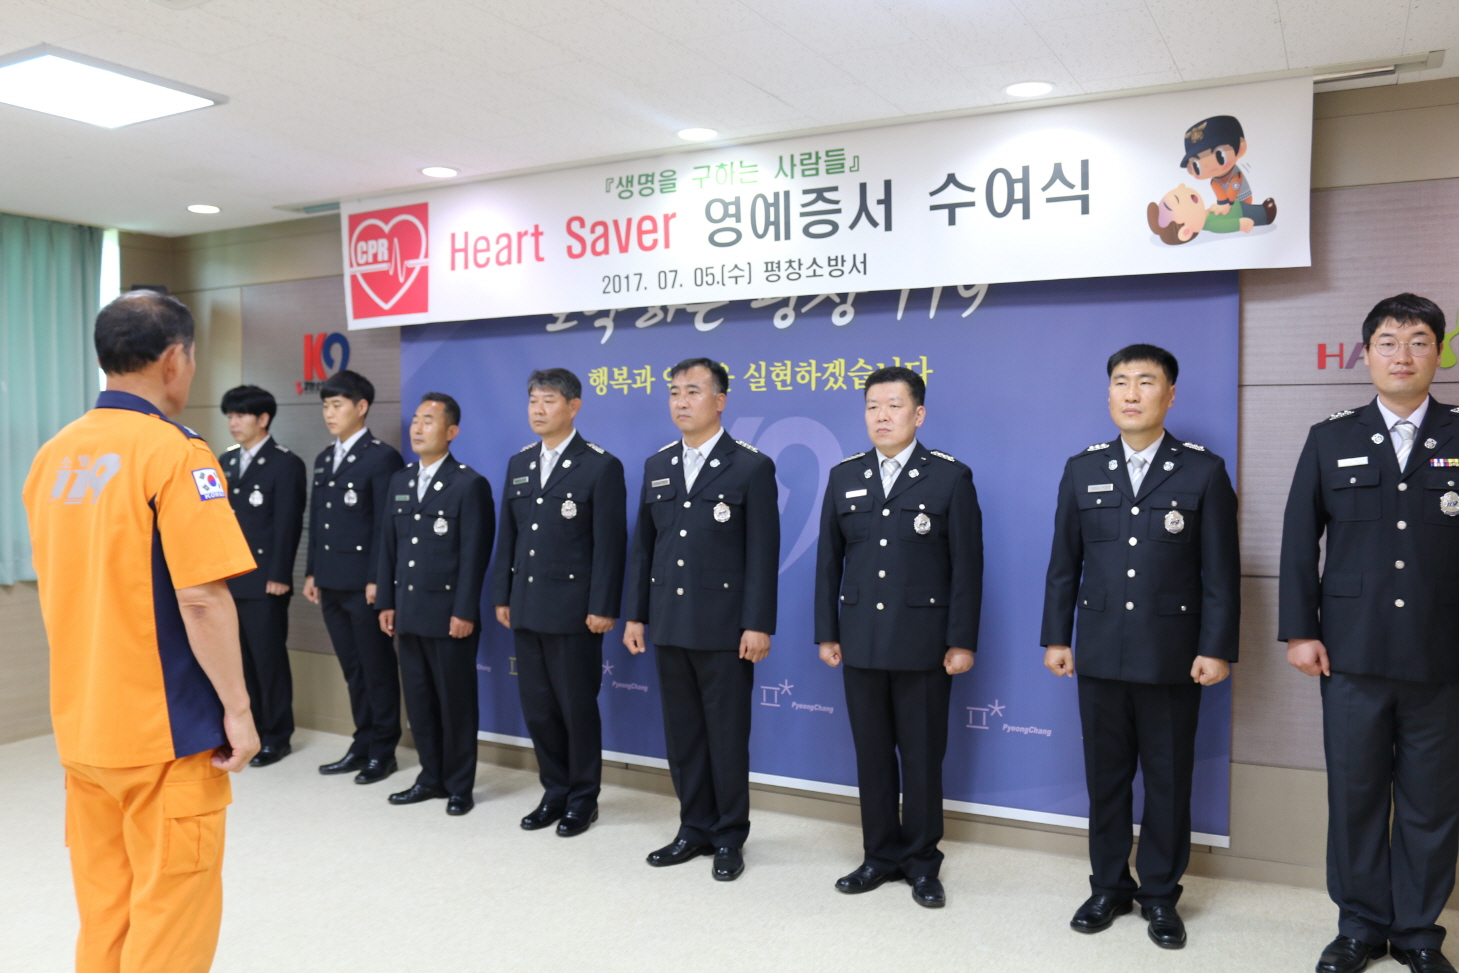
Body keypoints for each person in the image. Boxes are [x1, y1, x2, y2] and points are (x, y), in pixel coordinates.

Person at [23, 291, 260, 973]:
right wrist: (240, 711)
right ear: (175, 359)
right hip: (165, 732)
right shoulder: (176, 453)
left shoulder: (54, 455)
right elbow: (202, 599)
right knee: (171, 919)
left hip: (85, 727)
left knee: (108, 912)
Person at [1279, 294, 1459, 973]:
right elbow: (1299, 540)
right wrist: (1299, 631)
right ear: (1367, 354)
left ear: (1438, 352)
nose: (1401, 355)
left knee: (1431, 801)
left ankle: (1417, 933)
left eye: (1417, 341)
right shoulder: (1331, 437)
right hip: (1350, 653)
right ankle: (1357, 926)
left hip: (1442, 653)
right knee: (1355, 795)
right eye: (1387, 341)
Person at [1041, 343, 1239, 950]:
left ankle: (1159, 894)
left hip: (1173, 657)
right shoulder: (1083, 468)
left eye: (1145, 382)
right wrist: (1057, 637)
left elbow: (1220, 574)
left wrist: (1216, 647)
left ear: (1169, 395)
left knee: (1168, 781)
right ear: (1108, 394)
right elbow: (1064, 565)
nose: (1131, 393)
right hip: (1099, 654)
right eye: (1121, 382)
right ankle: (1107, 886)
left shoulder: (1203, 471)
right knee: (1105, 780)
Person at [814, 365, 983, 909]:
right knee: (872, 756)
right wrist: (827, 632)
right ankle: (879, 856)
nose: (881, 416)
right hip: (860, 641)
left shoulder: (949, 478)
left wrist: (961, 640)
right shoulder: (844, 476)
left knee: (922, 758)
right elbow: (828, 563)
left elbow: (967, 568)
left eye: (893, 405)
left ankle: (922, 863)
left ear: (919, 414)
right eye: (872, 406)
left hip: (924, 645)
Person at [623, 357, 779, 881]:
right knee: (684, 735)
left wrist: (758, 623)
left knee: (726, 737)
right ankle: (693, 827)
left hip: (725, 629)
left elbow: (762, 554)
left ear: (720, 400)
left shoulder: (751, 466)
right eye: (674, 392)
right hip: (669, 622)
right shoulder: (658, 464)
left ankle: (729, 836)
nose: (681, 401)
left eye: (693, 391)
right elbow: (643, 549)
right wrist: (636, 616)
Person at [492, 368, 627, 837]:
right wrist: (503, 594)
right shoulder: (520, 463)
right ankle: (554, 791)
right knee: (539, 709)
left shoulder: (600, 466)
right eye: (533, 400)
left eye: (548, 401)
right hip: (527, 605)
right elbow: (508, 535)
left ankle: (582, 799)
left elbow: (609, 545)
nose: (538, 409)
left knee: (575, 708)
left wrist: (603, 605)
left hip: (574, 612)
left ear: (573, 406)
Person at [377, 393, 493, 816]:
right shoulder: (401, 481)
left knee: (455, 704)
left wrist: (464, 611)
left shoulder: (468, 484)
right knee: (420, 702)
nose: (418, 428)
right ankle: (430, 777)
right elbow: (388, 548)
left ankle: (460, 786)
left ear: (451, 431)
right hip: (408, 612)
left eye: (429, 421)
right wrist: (386, 602)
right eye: (415, 420)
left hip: (448, 617)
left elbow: (474, 555)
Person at [302, 369, 405, 784]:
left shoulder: (382, 458)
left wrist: (378, 580)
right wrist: (312, 570)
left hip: (365, 585)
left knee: (376, 669)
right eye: (326, 406)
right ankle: (362, 743)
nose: (329, 413)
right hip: (330, 581)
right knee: (353, 670)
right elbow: (318, 520)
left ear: (361, 407)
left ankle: (383, 751)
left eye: (337, 405)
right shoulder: (325, 458)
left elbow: (385, 526)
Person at [218, 385, 306, 767]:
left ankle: (277, 735)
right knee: (237, 662)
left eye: (240, 415)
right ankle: (248, 732)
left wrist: (280, 574)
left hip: (265, 580)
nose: (233, 423)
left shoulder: (285, 463)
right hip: (229, 578)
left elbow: (288, 523)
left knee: (268, 661)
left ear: (263, 418)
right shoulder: (224, 460)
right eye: (230, 416)